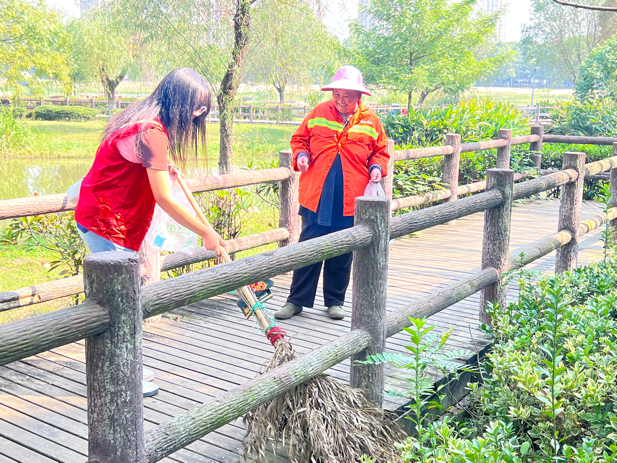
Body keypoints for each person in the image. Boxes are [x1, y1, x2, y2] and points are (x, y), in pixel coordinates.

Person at [274, 65, 390, 321]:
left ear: (358, 96)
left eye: (347, 96)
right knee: (308, 248)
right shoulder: (319, 112)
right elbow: (300, 139)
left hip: (350, 197)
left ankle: (335, 301)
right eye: (337, 94)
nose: (341, 100)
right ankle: (295, 301)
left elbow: (380, 152)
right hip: (317, 194)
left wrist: (376, 168)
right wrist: (301, 156)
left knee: (342, 250)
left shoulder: (371, 120)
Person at [75, 68, 226, 257]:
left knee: (125, 274)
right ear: (180, 104)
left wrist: (165, 165)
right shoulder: (151, 133)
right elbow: (164, 197)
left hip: (100, 215)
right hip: (105, 225)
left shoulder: (142, 117)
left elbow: (135, 158)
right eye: (198, 108)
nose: (197, 115)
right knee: (118, 276)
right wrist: (205, 232)